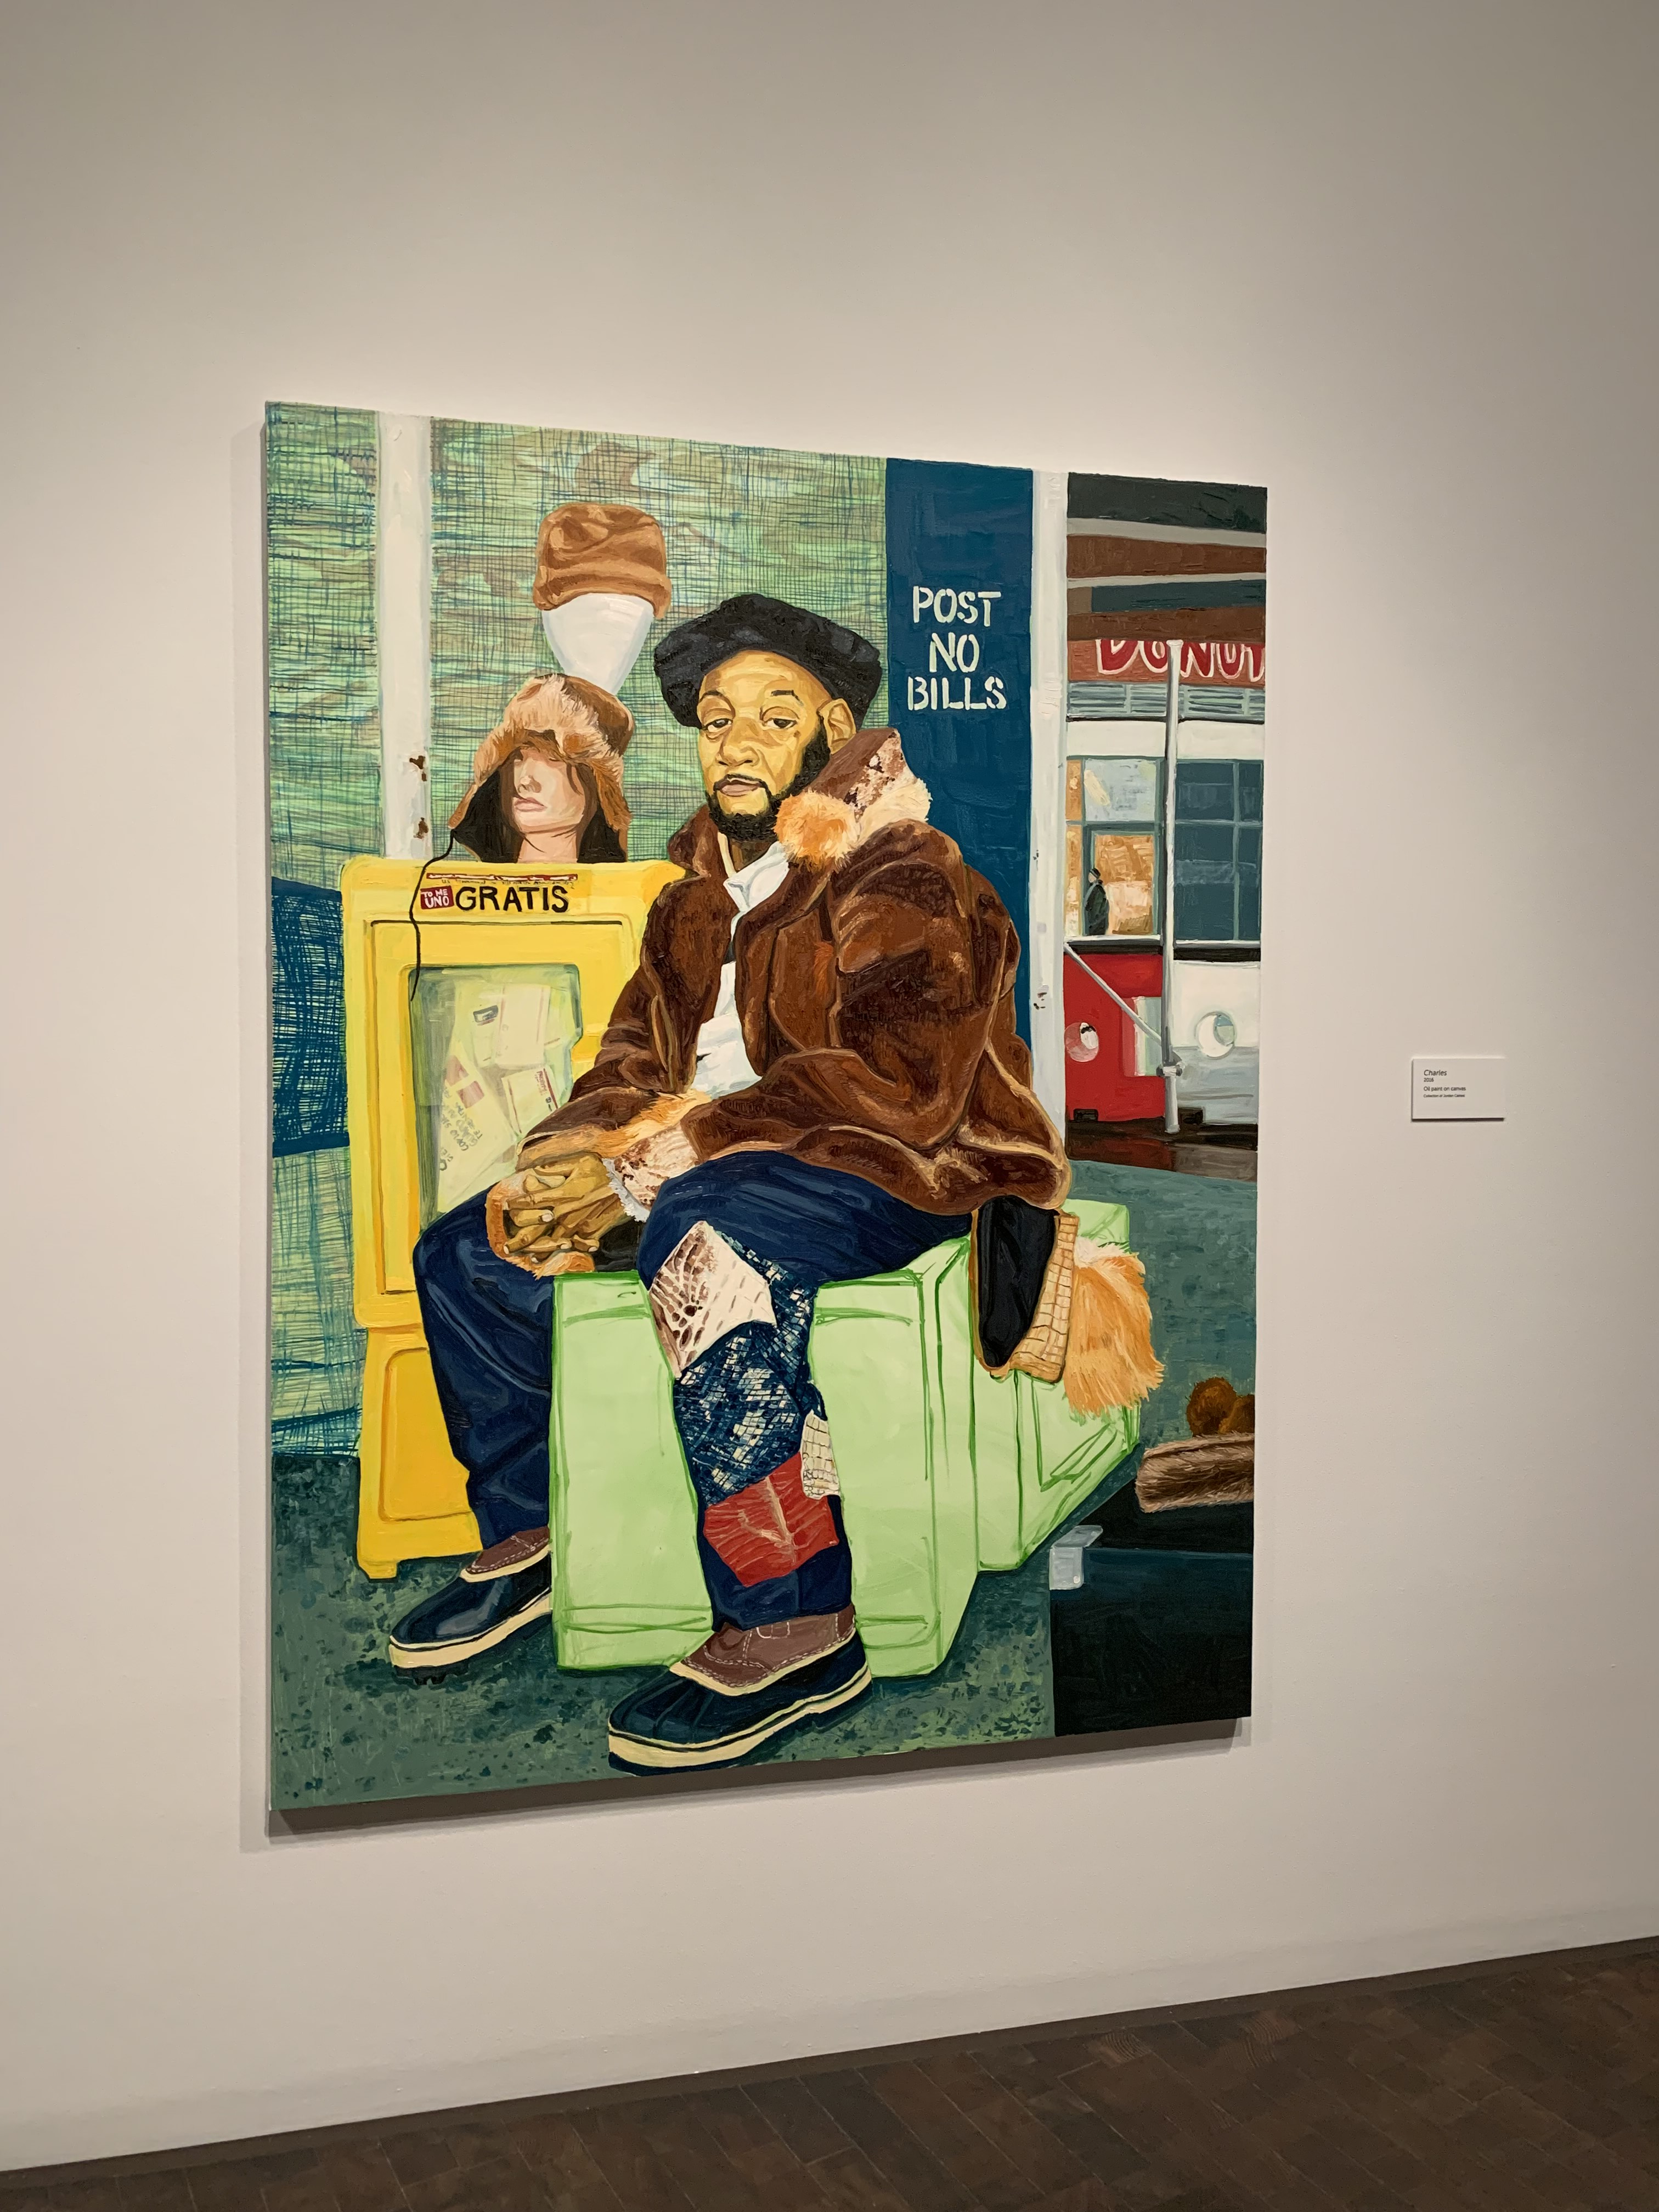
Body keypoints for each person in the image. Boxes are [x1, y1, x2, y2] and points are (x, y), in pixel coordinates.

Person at [388, 594, 1072, 1772]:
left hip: (898, 1167)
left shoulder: (901, 867)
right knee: (471, 1247)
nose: (737, 744)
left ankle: (798, 1619)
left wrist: (700, 1140)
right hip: (708, 1161)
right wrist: (580, 1155)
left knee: (707, 1238)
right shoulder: (692, 899)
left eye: (773, 716)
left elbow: (906, 1083)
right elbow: (628, 1058)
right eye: (716, 721)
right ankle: (537, 1532)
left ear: (835, 731)